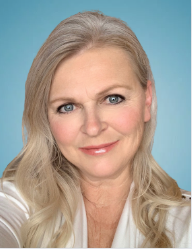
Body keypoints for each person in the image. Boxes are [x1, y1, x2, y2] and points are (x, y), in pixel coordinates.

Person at [0, 11, 191, 248]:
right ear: (46, 118)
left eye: (113, 98)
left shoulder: (186, 223)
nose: (93, 127)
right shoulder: (19, 201)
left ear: (147, 99)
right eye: (67, 107)